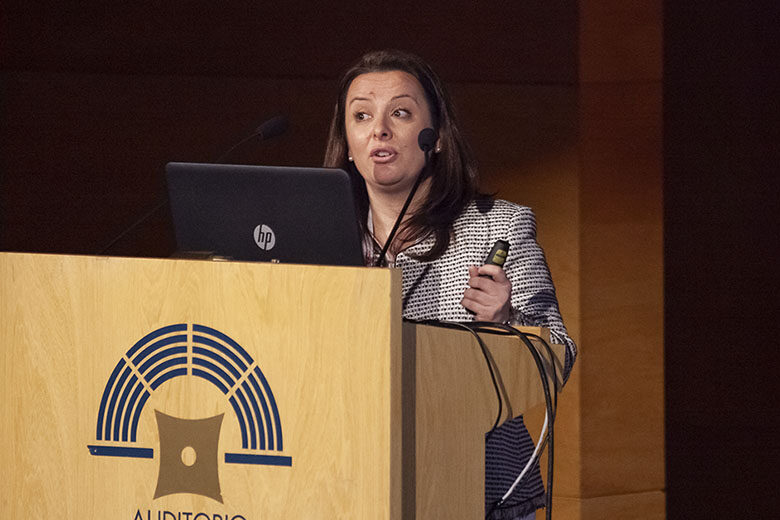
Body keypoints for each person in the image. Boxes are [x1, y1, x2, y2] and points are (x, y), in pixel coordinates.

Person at [324, 50, 577, 520]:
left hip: (478, 490)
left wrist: (507, 320)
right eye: (361, 116)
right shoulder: (318, 237)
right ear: (348, 144)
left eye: (400, 113)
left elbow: (558, 354)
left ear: (436, 136)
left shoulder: (496, 227)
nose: (379, 130)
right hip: (344, 482)